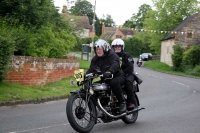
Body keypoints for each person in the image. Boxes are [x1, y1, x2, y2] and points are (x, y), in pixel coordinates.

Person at [86, 39, 126, 113]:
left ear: (104, 48)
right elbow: (91, 69)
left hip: (118, 76)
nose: (98, 51)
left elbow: (115, 64)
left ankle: (122, 103)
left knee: (114, 83)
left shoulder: (112, 54)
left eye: (100, 49)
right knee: (94, 86)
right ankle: (103, 105)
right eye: (97, 49)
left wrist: (110, 71)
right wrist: (85, 76)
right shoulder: (95, 59)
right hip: (105, 78)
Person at [111, 38, 136, 109]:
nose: (117, 48)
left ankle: (131, 102)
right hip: (117, 75)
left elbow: (130, 67)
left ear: (122, 47)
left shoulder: (127, 55)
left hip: (128, 74)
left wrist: (122, 73)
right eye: (115, 47)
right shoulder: (111, 57)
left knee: (128, 82)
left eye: (119, 47)